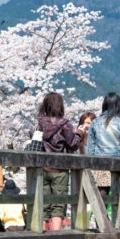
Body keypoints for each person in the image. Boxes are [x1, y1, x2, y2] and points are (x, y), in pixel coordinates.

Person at [37, 92, 85, 231]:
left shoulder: (40, 123)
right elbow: (72, 144)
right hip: (60, 169)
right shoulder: (65, 124)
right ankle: (56, 238)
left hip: (43, 168)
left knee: (44, 203)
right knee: (58, 204)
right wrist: (79, 134)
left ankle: (42, 238)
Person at [86, 92, 120, 197]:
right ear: (118, 106)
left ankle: (102, 214)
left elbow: (90, 150)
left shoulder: (95, 123)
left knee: (102, 198)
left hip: (101, 164)